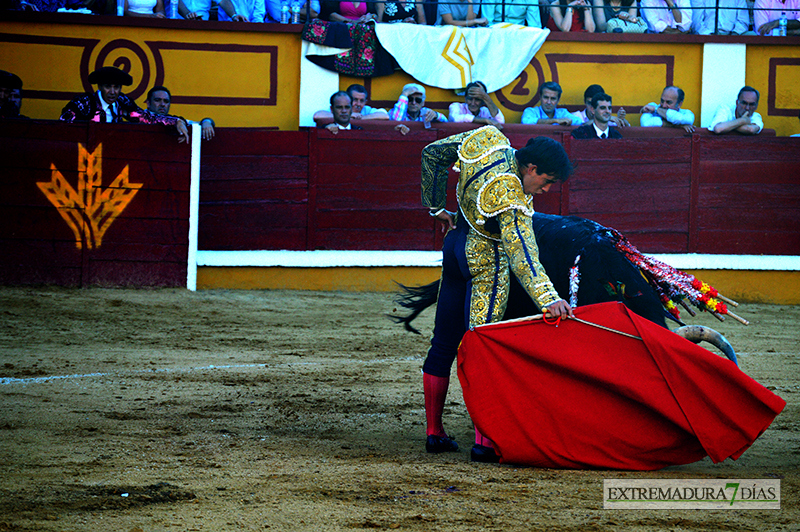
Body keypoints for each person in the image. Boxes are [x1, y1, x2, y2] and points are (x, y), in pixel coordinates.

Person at [420, 126, 574, 462]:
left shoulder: (489, 139)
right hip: (485, 264)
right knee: (483, 349)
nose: (546, 189)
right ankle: (484, 442)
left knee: (444, 342)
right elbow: (523, 256)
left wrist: (436, 208)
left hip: (455, 246)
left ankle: (434, 431)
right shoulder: (511, 195)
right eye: (546, 180)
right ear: (530, 169)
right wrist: (548, 298)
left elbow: (432, 154)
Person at [59, 66, 189, 143]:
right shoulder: (83, 103)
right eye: (108, 87)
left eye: (116, 87)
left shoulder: (122, 102)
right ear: (100, 87)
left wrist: (175, 121)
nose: (113, 92)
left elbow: (145, 117)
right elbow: (64, 127)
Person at [146, 86, 216, 141]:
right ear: (148, 103)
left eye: (166, 101)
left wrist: (206, 122)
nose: (162, 104)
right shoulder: (140, 117)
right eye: (157, 100)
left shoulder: (174, 119)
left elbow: (197, 123)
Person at [313, 84, 388, 122]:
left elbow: (385, 116)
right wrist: (350, 116)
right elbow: (317, 116)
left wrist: (360, 118)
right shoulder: (340, 108)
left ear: (365, 102)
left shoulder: (367, 110)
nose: (358, 104)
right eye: (355, 100)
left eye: (361, 101)